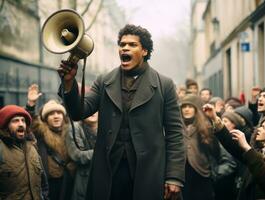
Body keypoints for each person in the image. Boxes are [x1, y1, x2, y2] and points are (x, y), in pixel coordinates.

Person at [58, 24, 185, 200]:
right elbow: (79, 112)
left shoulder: (165, 85)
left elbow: (176, 134)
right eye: (122, 44)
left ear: (145, 51)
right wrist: (69, 84)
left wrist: (174, 177)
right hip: (109, 172)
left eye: (132, 44)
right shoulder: (104, 81)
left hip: (148, 172)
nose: (125, 47)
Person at [203, 103, 265, 199]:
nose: (259, 129)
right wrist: (215, 118)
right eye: (260, 126)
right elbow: (234, 149)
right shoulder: (261, 150)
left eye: (264, 127)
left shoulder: (256, 152)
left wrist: (247, 147)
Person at [26, 84, 76, 200]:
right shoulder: (40, 132)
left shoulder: (71, 131)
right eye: (51, 114)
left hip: (69, 180)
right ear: (45, 118)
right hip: (50, 183)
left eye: (59, 113)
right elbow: (30, 122)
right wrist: (31, 105)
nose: (56, 116)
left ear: (63, 116)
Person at [0, 105, 49, 200]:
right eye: (15, 121)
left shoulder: (32, 146)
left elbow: (43, 182)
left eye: (23, 120)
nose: (21, 124)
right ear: (6, 126)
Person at [66, 113, 98, 200]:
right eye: (91, 109)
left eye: (96, 109)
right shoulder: (75, 127)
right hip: (84, 179)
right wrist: (100, 153)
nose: (93, 112)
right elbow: (76, 155)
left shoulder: (107, 127)